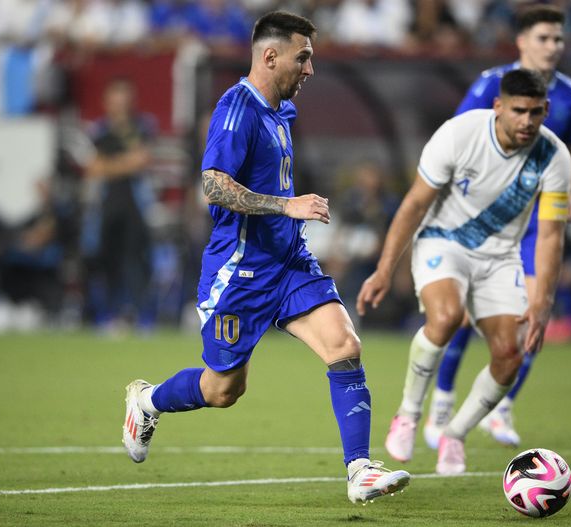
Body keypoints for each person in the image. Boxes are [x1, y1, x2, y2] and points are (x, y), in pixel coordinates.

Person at [121, 11, 410, 504]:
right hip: (240, 273)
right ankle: (147, 401)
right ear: (270, 56)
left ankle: (359, 469)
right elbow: (212, 186)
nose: (310, 70)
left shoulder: (280, 110)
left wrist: (288, 217)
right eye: (304, 58)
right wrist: (285, 205)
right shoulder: (237, 110)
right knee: (223, 391)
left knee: (344, 345)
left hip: (289, 260)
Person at [357, 69, 571, 474]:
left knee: (510, 355)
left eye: (536, 113)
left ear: (545, 111)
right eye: (519, 111)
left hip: (500, 257)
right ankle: (407, 413)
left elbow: (550, 236)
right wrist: (385, 269)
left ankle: (453, 435)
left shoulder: (555, 156)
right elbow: (414, 205)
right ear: (498, 107)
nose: (527, 121)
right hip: (444, 241)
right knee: (447, 317)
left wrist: (542, 302)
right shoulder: (459, 135)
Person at [424, 5, 571, 450]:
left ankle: (502, 408)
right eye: (544, 38)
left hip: (537, 216)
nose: (553, 47)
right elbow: (457, 137)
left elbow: (569, 147)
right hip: (487, 216)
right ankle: (441, 403)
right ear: (522, 42)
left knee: (534, 313)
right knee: (457, 313)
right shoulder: (488, 84)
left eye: (558, 39)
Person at [84, 77, 156, 332]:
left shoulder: (143, 126)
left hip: (136, 205)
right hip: (107, 205)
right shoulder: (99, 130)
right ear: (107, 103)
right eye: (116, 101)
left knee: (137, 261)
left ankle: (143, 317)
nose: (120, 106)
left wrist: (110, 165)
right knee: (107, 260)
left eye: (124, 100)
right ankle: (108, 316)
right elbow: (93, 169)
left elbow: (143, 159)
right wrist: (124, 163)